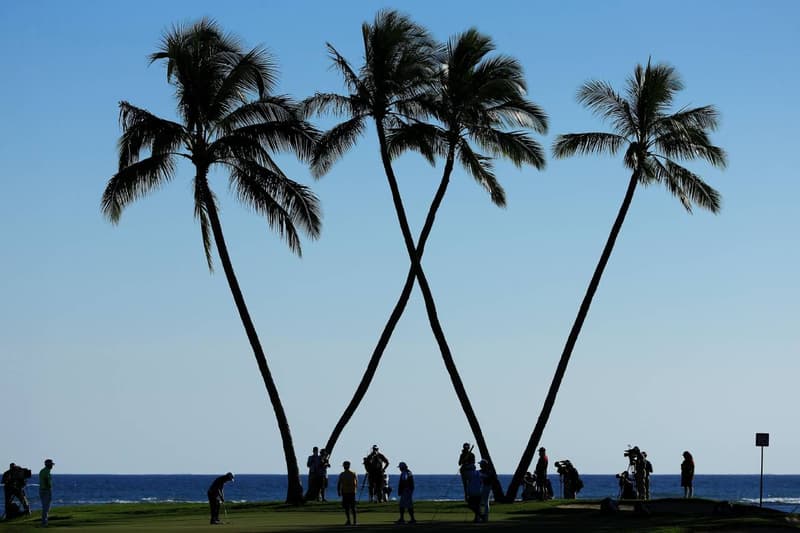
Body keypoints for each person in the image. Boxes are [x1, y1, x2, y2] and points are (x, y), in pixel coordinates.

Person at [337, 461, 358, 526]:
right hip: (351, 492)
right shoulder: (353, 473)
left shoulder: (342, 474)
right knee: (352, 507)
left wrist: (339, 491)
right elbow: (356, 483)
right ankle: (354, 521)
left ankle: (350, 521)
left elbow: (339, 484)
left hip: (346, 492)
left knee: (347, 507)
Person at [39, 459, 54, 527]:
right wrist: (49, 487)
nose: (52, 466)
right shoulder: (47, 471)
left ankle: (44, 522)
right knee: (46, 508)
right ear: (48, 465)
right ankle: (44, 523)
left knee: (45, 507)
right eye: (51, 464)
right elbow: (46, 480)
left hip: (41, 490)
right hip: (46, 490)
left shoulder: (42, 471)